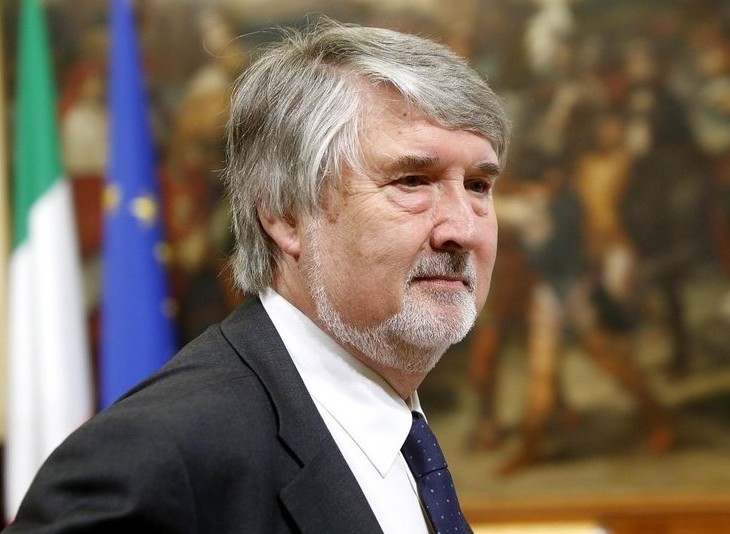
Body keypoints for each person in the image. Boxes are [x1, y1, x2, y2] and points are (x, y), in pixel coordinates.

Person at [7, 17, 510, 533]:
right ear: (286, 215)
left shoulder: (402, 439)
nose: (462, 229)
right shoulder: (154, 458)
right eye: (412, 181)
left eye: (477, 185)